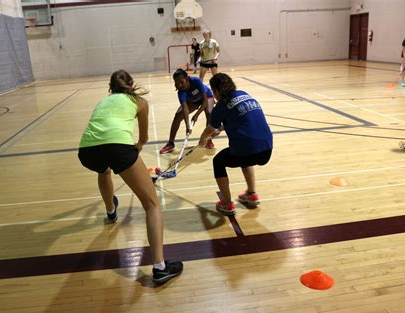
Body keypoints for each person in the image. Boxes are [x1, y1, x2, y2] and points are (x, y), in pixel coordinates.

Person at [78, 70, 183, 283]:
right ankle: (160, 267)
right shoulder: (139, 102)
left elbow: (101, 132)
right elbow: (143, 137)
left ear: (110, 87)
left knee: (104, 169)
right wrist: (136, 148)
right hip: (118, 148)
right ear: (131, 84)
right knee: (152, 205)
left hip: (87, 150)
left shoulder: (103, 101)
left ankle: (110, 211)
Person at [198, 73, 273, 215]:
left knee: (218, 161)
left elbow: (210, 128)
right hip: (267, 150)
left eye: (213, 92)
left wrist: (203, 139)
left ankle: (227, 203)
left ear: (217, 91)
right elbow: (238, 118)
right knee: (244, 155)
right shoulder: (244, 94)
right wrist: (221, 128)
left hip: (247, 151)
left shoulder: (220, 106)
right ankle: (251, 194)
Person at [159, 68, 216, 154]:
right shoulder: (181, 92)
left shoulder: (196, 81)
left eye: (181, 82)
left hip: (207, 97)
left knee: (209, 113)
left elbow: (204, 101)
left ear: (187, 78)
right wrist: (187, 126)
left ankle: (208, 139)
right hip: (193, 101)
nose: (179, 85)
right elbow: (185, 109)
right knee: (178, 116)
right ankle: (170, 143)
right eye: (176, 83)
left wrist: (196, 114)